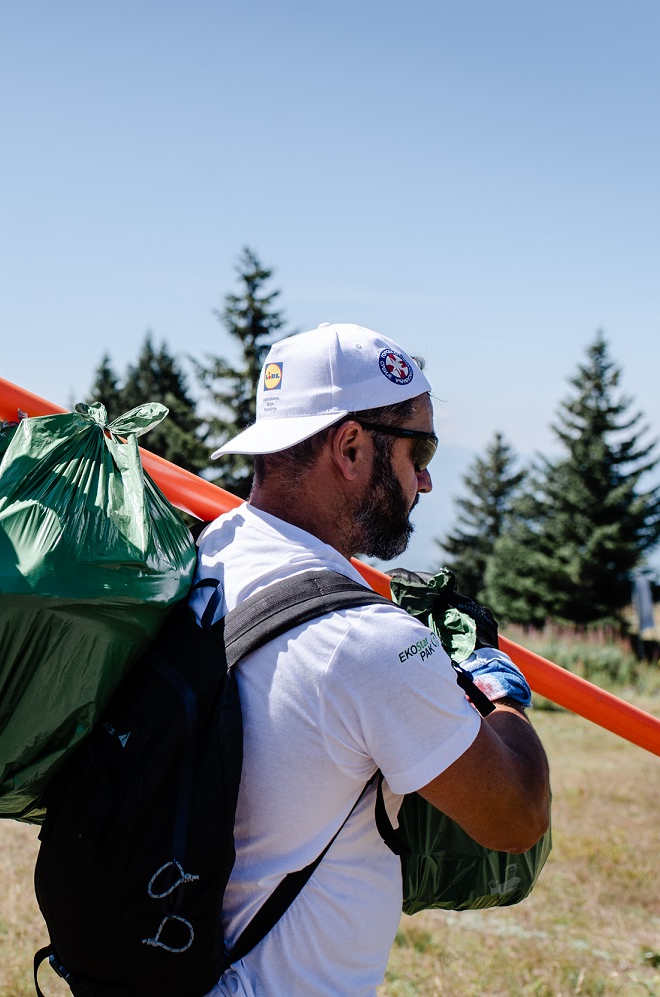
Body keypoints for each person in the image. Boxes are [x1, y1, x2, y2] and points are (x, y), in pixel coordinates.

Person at [197, 324, 551, 996]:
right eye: (419, 448)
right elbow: (516, 817)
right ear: (352, 447)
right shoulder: (365, 640)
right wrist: (497, 685)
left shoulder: (205, 555)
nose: (425, 477)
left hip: (167, 964)